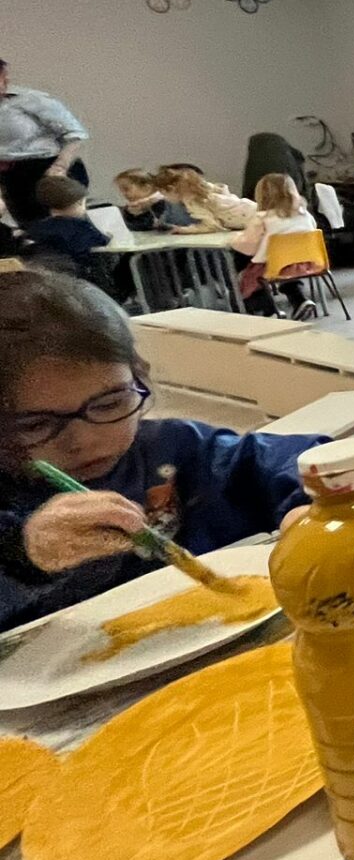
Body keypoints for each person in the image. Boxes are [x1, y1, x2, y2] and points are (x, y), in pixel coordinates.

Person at [0, 272, 325, 629]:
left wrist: (317, 502)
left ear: (139, 377)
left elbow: (291, 460)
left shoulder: (174, 448)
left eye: (109, 403)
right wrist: (24, 554)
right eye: (35, 424)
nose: (84, 439)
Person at [0, 56, 88, 226]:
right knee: (31, 228)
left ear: (5, 77)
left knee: (65, 228)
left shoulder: (31, 99)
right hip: (11, 176)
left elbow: (75, 133)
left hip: (47, 169)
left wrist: (60, 167)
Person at [235, 173, 321, 318]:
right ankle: (300, 300)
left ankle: (270, 310)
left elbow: (248, 247)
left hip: (274, 266)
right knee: (287, 272)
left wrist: (235, 240)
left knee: (249, 278)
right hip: (308, 263)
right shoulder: (304, 214)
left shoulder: (262, 218)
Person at [22, 175, 111, 286]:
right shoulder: (81, 227)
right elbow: (101, 242)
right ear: (79, 202)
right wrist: (108, 236)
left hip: (44, 280)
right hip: (79, 280)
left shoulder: (35, 228)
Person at [154, 165, 257, 232]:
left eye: (163, 193)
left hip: (251, 219)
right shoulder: (205, 190)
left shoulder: (194, 202)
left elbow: (211, 225)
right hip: (253, 209)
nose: (164, 197)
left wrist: (184, 230)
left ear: (171, 189)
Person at [114, 170, 193, 232]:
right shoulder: (132, 208)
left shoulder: (164, 203)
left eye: (126, 189)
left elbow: (147, 226)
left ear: (146, 188)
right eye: (121, 190)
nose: (123, 194)